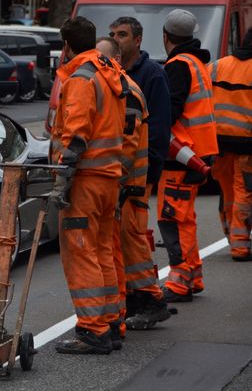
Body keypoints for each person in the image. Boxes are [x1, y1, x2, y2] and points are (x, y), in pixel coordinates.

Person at [50, 17, 126, 355]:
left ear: (66, 46)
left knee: (82, 255)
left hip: (86, 180)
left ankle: (93, 331)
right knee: (102, 252)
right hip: (108, 176)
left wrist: (62, 180)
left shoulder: (82, 78)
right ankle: (110, 323)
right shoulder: (109, 72)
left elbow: (77, 134)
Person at [109, 17, 172, 328]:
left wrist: (150, 170)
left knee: (132, 236)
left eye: (122, 34)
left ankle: (150, 298)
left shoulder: (151, 75)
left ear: (138, 39)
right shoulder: (118, 75)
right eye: (112, 34)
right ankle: (136, 296)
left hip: (139, 172)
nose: (116, 39)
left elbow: (159, 129)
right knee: (123, 236)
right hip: (124, 172)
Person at [159, 9, 218, 302]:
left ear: (165, 36)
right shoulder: (197, 63)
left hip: (181, 154)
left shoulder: (177, 65)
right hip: (200, 151)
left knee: (172, 218)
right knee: (185, 218)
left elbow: (171, 109)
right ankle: (192, 274)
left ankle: (180, 280)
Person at [208, 27, 252, 261]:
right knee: (243, 192)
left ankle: (231, 237)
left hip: (219, 143)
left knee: (227, 193)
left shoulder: (217, 66)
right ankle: (240, 246)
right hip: (247, 145)